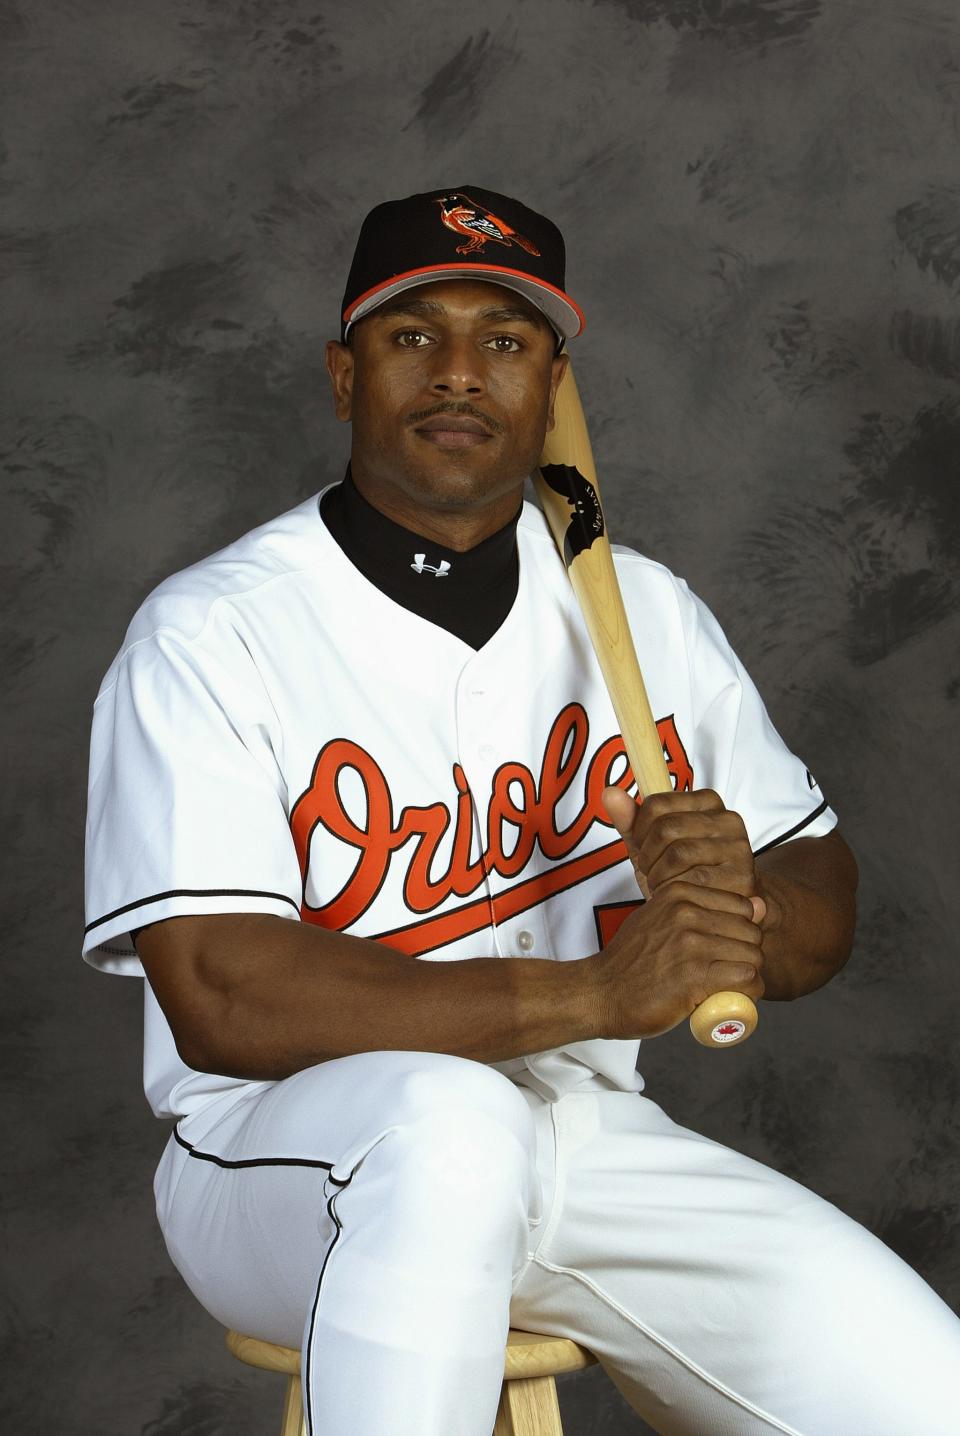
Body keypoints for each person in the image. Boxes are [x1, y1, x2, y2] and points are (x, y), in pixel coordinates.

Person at [83, 186, 960, 1436]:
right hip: (288, 1154)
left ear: (553, 386)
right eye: (410, 335)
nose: (457, 372)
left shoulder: (645, 614)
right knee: (446, 1125)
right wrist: (608, 992)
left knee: (929, 1397)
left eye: (503, 339)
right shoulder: (214, 631)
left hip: (581, 1135)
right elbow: (224, 994)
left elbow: (823, 898)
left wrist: (737, 907)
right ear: (344, 375)